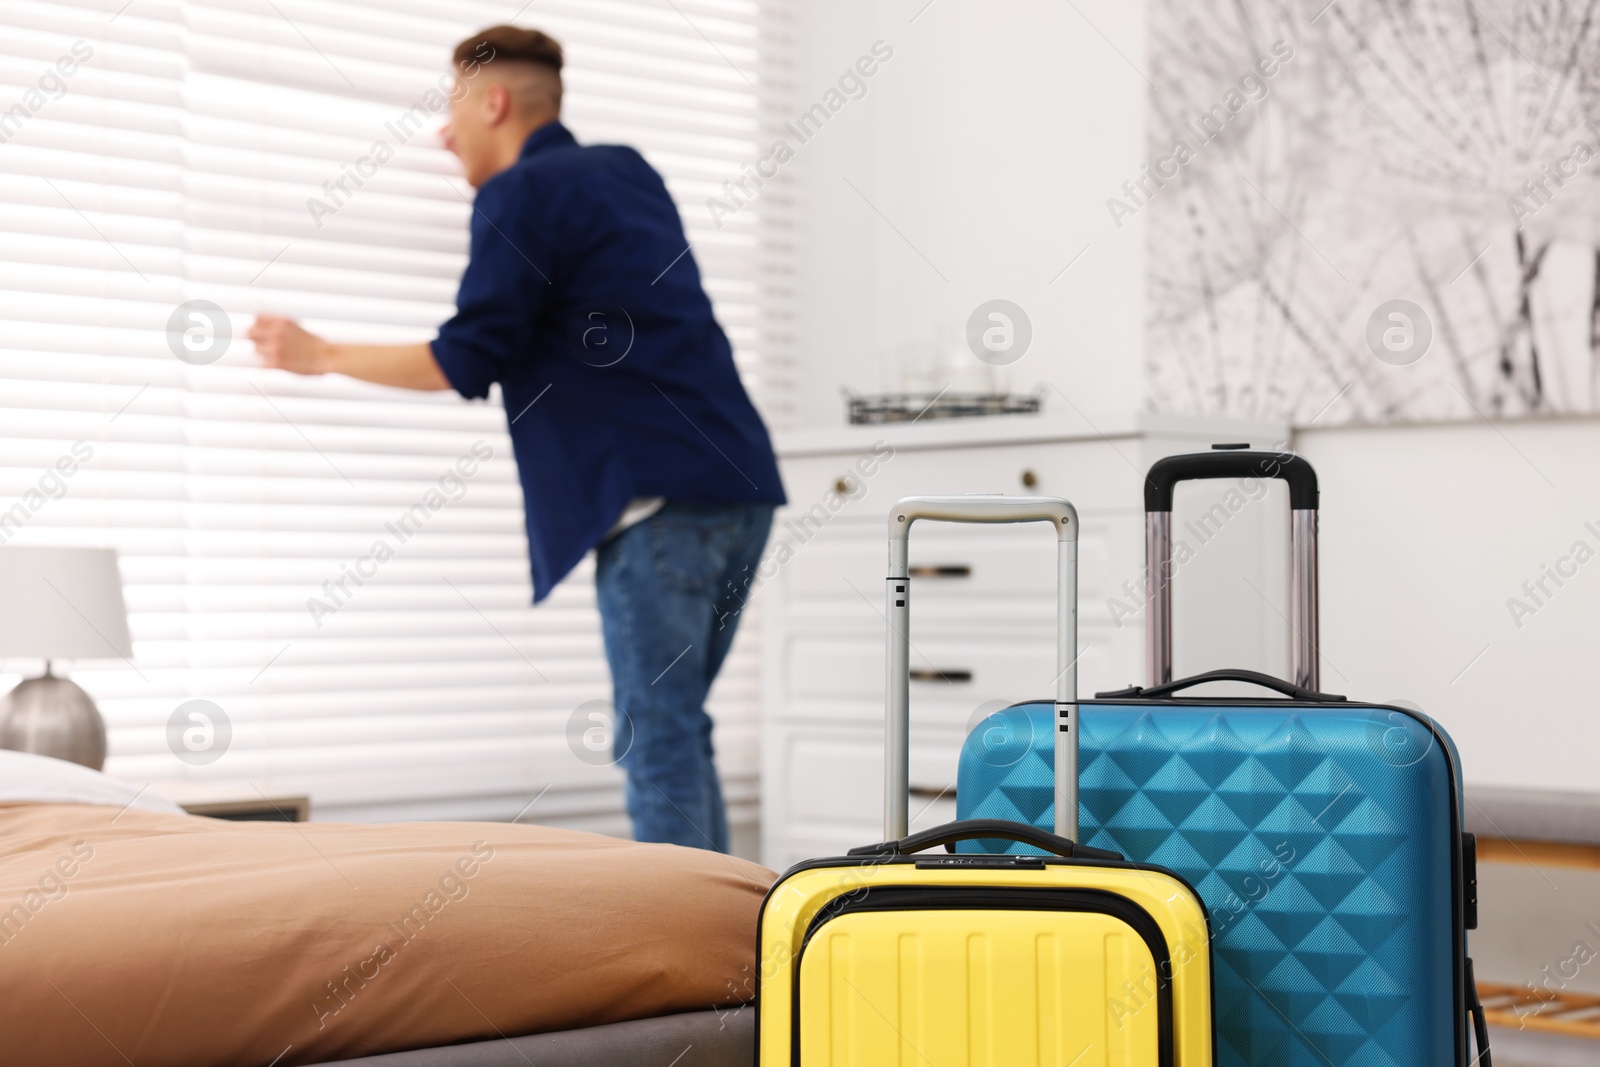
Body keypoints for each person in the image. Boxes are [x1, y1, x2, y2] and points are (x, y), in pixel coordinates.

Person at [248, 25, 784, 854]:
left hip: (655, 506)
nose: (444, 130)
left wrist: (318, 355)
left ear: (495, 101)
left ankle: (702, 962)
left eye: (453, 106)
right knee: (678, 727)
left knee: (657, 737)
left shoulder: (518, 195)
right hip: (740, 489)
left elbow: (462, 359)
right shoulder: (628, 170)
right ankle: (739, 950)